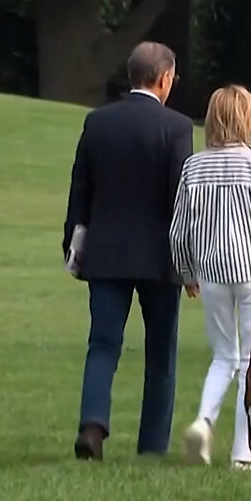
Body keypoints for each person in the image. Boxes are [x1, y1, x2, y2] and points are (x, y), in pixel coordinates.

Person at [63, 41, 194, 460]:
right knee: (161, 350)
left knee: (102, 344)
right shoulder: (176, 128)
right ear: (164, 78)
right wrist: (190, 262)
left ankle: (92, 426)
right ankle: (152, 444)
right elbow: (182, 199)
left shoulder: (97, 122)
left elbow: (80, 189)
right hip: (160, 257)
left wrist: (73, 244)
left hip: (106, 251)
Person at [169, 84, 251, 470]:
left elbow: (178, 231)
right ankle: (243, 453)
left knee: (223, 356)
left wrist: (187, 272)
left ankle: (204, 422)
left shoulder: (194, 167)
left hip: (211, 274)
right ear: (247, 120)